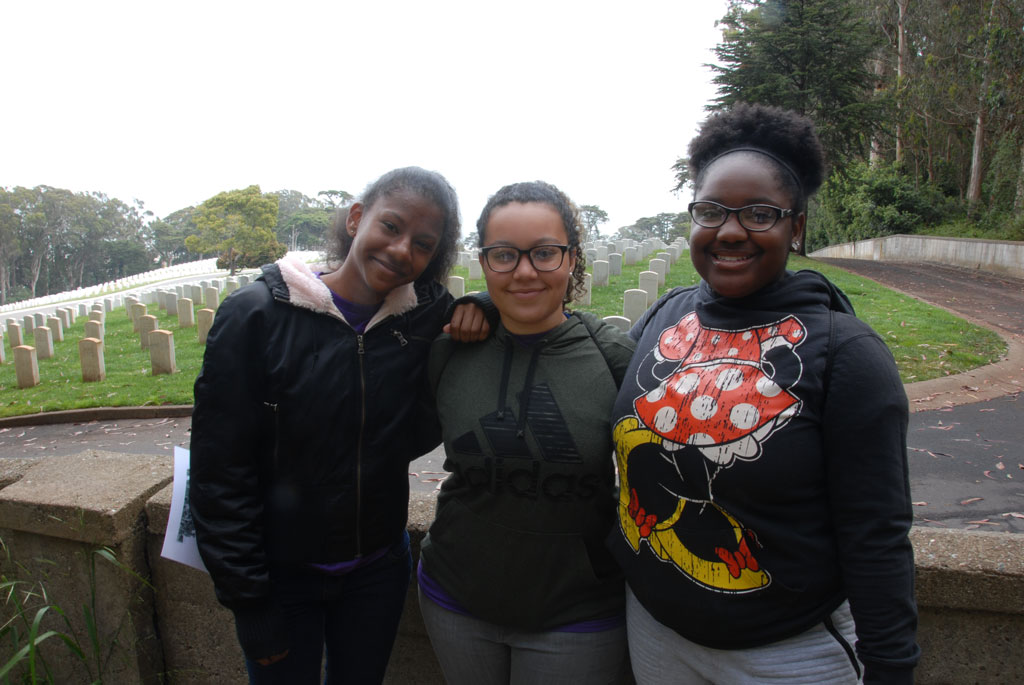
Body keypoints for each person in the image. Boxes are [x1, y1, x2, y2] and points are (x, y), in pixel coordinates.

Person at [609, 103, 920, 684]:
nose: (730, 230)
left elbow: (876, 531)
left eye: (759, 213)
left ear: (795, 227)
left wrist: (891, 666)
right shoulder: (662, 316)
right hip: (654, 635)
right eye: (711, 211)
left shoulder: (846, 351)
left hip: (787, 656)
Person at [189, 167, 490, 684]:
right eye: (390, 227)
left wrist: (481, 305)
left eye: (422, 243)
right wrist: (249, 602)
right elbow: (220, 470)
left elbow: (488, 311)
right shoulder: (256, 314)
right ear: (356, 218)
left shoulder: (419, 318)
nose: (401, 250)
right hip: (281, 579)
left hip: (377, 570)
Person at [417, 181, 636, 684]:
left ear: (572, 258)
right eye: (504, 255)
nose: (524, 271)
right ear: (484, 260)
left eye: (544, 253)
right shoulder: (449, 351)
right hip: (454, 598)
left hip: (578, 615)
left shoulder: (613, 358)